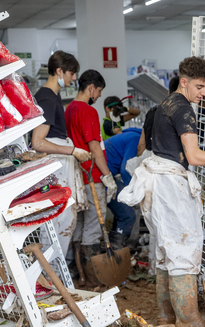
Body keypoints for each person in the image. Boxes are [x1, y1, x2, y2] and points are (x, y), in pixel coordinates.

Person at [119, 56, 205, 327]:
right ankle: (190, 321)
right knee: (183, 252)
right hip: (170, 187)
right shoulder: (183, 109)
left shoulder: (160, 107)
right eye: (199, 86)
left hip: (157, 184)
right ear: (184, 82)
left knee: (165, 251)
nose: (203, 93)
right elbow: (194, 156)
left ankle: (167, 316)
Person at [31, 51, 90, 256]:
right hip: (55, 165)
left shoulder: (51, 96)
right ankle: (52, 273)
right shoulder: (47, 98)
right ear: (59, 71)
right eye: (72, 73)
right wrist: (73, 150)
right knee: (57, 220)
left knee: (63, 220)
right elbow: (38, 142)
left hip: (59, 164)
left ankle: (56, 271)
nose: (74, 78)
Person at [64, 69, 117, 286]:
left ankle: (79, 275)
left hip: (76, 177)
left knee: (79, 225)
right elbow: (94, 147)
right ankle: (94, 277)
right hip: (91, 176)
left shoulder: (69, 110)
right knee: (95, 226)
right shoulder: (87, 111)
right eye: (99, 91)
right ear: (91, 88)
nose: (99, 96)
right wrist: (107, 176)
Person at [104, 127, 142, 248]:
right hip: (102, 177)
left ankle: (114, 244)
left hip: (104, 175)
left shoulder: (130, 135)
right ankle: (117, 250)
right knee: (128, 214)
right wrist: (131, 191)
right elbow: (125, 169)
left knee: (122, 211)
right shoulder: (135, 139)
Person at [137, 76, 179, 156]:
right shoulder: (183, 116)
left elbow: (141, 144)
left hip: (151, 158)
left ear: (169, 93)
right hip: (172, 160)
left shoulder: (152, 112)